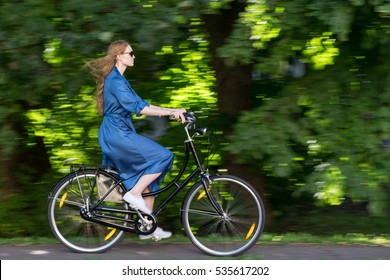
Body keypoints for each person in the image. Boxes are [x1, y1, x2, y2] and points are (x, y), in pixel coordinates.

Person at [86, 40, 186, 240]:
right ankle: (132, 195)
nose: (133, 56)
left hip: (121, 132)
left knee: (148, 176)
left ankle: (147, 225)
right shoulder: (115, 81)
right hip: (117, 134)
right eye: (130, 53)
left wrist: (171, 111)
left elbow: (142, 104)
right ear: (119, 56)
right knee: (163, 156)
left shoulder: (120, 80)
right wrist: (170, 112)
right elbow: (139, 108)